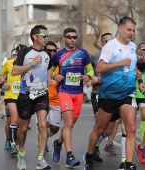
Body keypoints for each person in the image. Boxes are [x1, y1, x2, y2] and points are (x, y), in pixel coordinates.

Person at [83, 16, 137, 170]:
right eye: (128, 29)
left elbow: (131, 65)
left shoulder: (133, 46)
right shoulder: (110, 46)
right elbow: (99, 68)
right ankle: (89, 155)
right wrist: (120, 63)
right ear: (120, 29)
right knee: (102, 129)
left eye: (133, 30)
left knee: (131, 128)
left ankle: (128, 164)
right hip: (109, 94)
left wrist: (137, 72)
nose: (131, 33)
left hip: (128, 93)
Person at [52, 28, 94, 168]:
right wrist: (54, 76)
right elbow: (50, 71)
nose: (72, 39)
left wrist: (88, 76)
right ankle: (69, 156)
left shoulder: (83, 53)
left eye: (74, 37)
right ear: (64, 38)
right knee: (68, 123)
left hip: (78, 93)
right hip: (64, 91)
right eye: (69, 37)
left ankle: (58, 143)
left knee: (71, 124)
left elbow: (90, 70)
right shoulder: (58, 55)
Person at [12, 25, 52, 170]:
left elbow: (49, 69)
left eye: (47, 36)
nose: (47, 38)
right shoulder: (24, 52)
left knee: (43, 125)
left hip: (42, 94)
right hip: (25, 95)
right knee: (23, 128)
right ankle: (21, 154)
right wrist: (31, 63)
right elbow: (14, 71)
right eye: (44, 36)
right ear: (35, 37)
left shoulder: (47, 54)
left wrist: (50, 78)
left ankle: (40, 159)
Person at [90, 33, 119, 163]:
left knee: (108, 129)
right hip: (98, 92)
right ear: (102, 42)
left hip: (112, 94)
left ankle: (96, 146)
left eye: (112, 40)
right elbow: (88, 71)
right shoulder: (95, 56)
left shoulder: (118, 56)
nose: (110, 42)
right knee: (99, 123)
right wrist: (92, 77)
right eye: (107, 40)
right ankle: (90, 153)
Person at [0, 46, 27, 155]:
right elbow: (1, 75)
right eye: (18, 52)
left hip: (23, 95)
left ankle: (13, 139)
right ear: (16, 52)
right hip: (11, 94)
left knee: (20, 123)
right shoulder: (9, 63)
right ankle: (11, 142)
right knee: (13, 119)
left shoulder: (29, 64)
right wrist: (3, 83)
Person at [35, 41, 61, 154]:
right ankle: (42, 142)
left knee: (55, 128)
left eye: (54, 50)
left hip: (56, 101)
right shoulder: (39, 63)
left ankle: (41, 138)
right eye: (49, 50)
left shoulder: (60, 64)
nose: (51, 52)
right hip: (41, 98)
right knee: (42, 125)